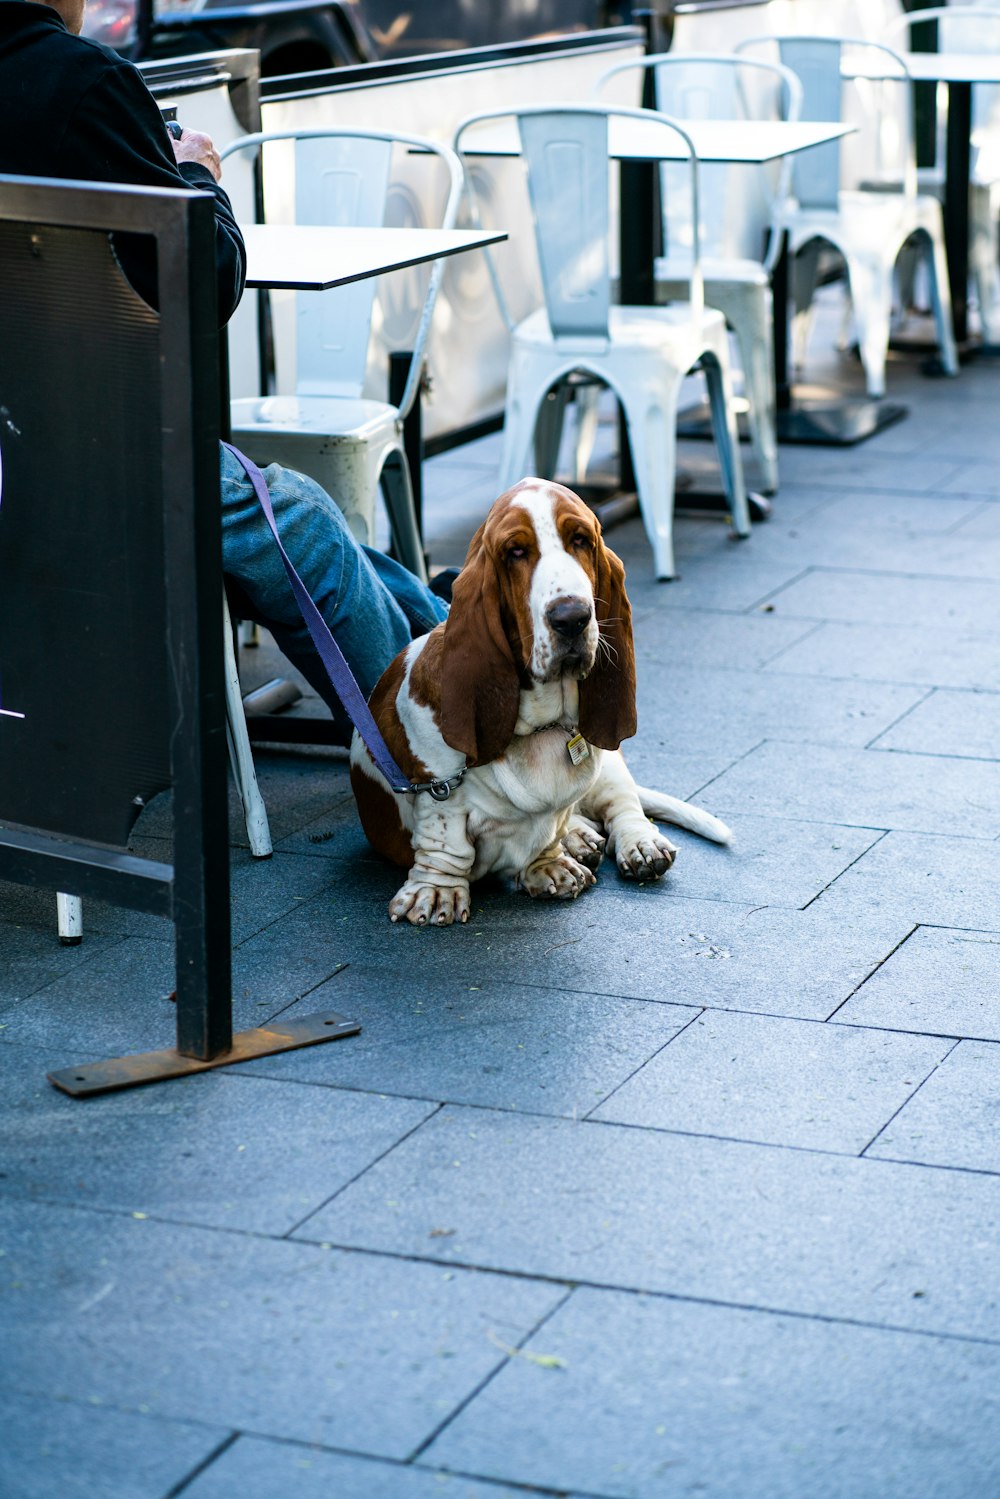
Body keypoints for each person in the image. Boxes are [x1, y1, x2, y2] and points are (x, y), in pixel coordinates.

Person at [0, 0, 450, 737]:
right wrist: (201, 181)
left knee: (312, 525)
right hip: (89, 461)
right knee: (299, 521)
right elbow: (202, 280)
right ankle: (436, 742)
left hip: (19, 448)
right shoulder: (84, 84)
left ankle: (461, 631)